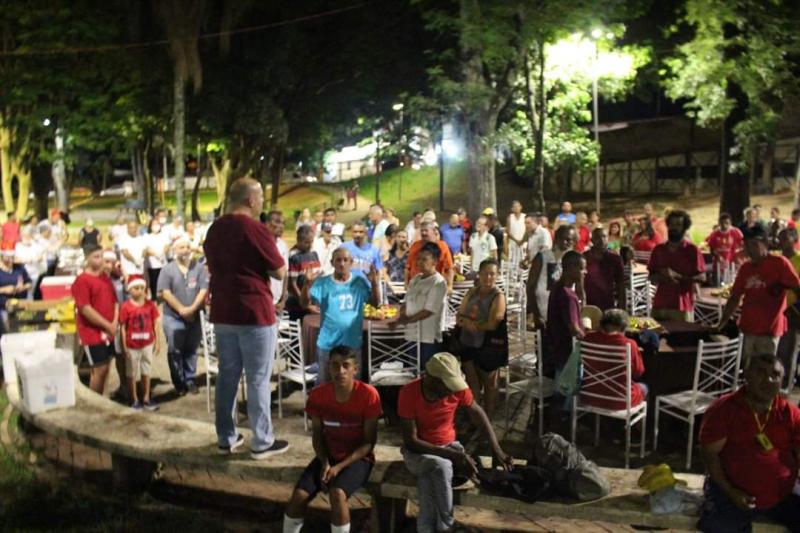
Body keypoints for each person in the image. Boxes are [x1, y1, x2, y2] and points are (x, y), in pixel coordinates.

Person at [204, 178, 289, 460]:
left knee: (227, 375)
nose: (263, 201)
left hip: (223, 311)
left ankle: (226, 437)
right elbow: (279, 271)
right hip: (254, 311)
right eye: (261, 196)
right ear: (251, 200)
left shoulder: (215, 228)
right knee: (258, 378)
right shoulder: (255, 228)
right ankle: (262, 441)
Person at [398, 353, 513, 533]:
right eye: (447, 386)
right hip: (418, 453)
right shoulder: (409, 393)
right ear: (432, 379)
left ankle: (426, 527)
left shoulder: (457, 390)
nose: (451, 391)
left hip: (449, 448)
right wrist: (454, 455)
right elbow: (411, 442)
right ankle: (446, 527)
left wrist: (496, 449)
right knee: (440, 465)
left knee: (430, 477)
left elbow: (478, 413)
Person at [283, 346, 382, 533]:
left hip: (358, 458)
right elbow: (318, 435)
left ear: (355, 369)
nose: (340, 371)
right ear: (329, 368)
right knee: (298, 496)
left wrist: (339, 467)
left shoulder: (368, 395)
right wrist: (325, 462)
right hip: (328, 456)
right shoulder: (318, 395)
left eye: (346, 366)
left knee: (337, 495)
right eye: (335, 366)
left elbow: (369, 443)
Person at [697, 353, 800, 532]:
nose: (768, 379)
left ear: (781, 381)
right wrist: (731, 491)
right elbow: (709, 454)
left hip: (781, 496)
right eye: (760, 372)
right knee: (721, 527)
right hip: (731, 494)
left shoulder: (789, 414)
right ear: (746, 375)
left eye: (775, 375)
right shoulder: (724, 409)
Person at [717, 225, 800, 357]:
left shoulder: (780, 263)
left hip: (769, 330)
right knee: (746, 370)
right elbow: (735, 297)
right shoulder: (745, 268)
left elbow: (797, 289)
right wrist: (722, 322)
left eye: (754, 244)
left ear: (765, 243)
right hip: (746, 328)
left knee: (765, 371)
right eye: (746, 245)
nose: (749, 249)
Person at [303, 247, 380, 383]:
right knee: (325, 386)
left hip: (352, 343)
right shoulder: (323, 283)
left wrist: (374, 283)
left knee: (352, 386)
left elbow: (375, 304)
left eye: (345, 260)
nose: (342, 263)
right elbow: (304, 304)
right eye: (338, 260)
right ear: (332, 263)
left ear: (351, 262)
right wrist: (307, 285)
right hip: (328, 343)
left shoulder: (359, 283)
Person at [157, 236, 209, 396]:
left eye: (187, 247)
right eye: (181, 247)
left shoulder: (199, 268)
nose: (185, 250)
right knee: (175, 350)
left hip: (195, 316)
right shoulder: (167, 270)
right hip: (173, 318)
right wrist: (181, 310)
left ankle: (190, 379)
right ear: (175, 250)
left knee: (192, 349)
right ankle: (179, 382)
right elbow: (164, 292)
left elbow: (203, 290)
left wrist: (192, 309)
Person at [457, 258, 507, 418]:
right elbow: (459, 316)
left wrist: (473, 324)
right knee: (472, 383)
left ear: (497, 275)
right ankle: (475, 417)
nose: (489, 278)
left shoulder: (498, 296)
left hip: (488, 346)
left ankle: (488, 418)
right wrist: (466, 322)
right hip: (467, 342)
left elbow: (493, 323)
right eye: (485, 274)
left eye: (492, 274)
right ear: (479, 274)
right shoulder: (472, 292)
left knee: (490, 384)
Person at [71, 244, 118, 394]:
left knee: (107, 366)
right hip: (92, 332)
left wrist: (115, 322)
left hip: (109, 329)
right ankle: (94, 399)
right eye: (96, 257)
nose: (101, 261)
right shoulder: (82, 281)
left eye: (101, 257)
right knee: (99, 368)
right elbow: (85, 309)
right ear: (87, 259)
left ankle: (102, 397)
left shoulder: (105, 278)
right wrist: (106, 325)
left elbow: (115, 301)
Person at [392, 245, 447, 369]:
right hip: (412, 334)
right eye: (419, 259)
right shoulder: (415, 279)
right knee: (412, 369)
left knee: (427, 371)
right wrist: (403, 312)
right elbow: (406, 301)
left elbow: (429, 310)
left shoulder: (438, 282)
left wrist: (406, 320)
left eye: (424, 259)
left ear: (435, 261)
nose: (420, 262)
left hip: (428, 336)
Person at [647, 210, 706, 322]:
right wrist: (661, 275)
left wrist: (677, 276)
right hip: (659, 305)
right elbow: (651, 277)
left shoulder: (692, 250)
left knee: (681, 339)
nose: (674, 228)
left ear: (684, 227)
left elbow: (702, 278)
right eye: (672, 224)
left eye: (678, 225)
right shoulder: (658, 250)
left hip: (682, 306)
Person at [582, 309, 647, 409]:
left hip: (589, 395)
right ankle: (633, 424)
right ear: (623, 326)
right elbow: (638, 372)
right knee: (644, 387)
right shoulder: (629, 344)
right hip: (619, 400)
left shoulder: (588, 338)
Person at [119, 274, 161, 411]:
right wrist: (124, 345)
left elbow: (156, 323)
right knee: (131, 372)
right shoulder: (126, 307)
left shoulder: (150, 305)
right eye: (136, 288)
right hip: (132, 345)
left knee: (146, 370)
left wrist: (157, 341)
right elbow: (123, 327)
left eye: (142, 287)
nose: (139, 290)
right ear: (130, 290)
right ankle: (134, 398)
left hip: (147, 343)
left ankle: (146, 397)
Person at [526, 225, 578, 329]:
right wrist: (536, 314)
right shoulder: (542, 257)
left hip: (566, 313)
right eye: (561, 239)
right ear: (556, 239)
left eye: (568, 240)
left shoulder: (576, 260)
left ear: (574, 241)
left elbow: (580, 288)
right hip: (544, 312)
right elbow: (530, 286)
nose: (564, 242)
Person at [544, 251, 586, 378]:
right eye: (582, 268)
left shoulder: (557, 287)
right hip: (567, 352)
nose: (585, 272)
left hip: (556, 348)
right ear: (572, 268)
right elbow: (574, 329)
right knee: (565, 392)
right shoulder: (568, 296)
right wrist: (589, 340)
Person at [777, 227, 800, 391]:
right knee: (777, 351)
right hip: (775, 312)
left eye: (784, 238)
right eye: (779, 239)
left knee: (788, 350)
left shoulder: (799, 260)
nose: (781, 242)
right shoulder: (777, 260)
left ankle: (786, 386)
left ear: (794, 240)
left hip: (792, 313)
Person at [584, 227, 626, 311]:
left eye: (604, 236)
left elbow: (620, 283)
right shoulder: (585, 257)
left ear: (608, 238)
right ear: (592, 240)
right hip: (588, 302)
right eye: (598, 237)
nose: (601, 240)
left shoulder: (615, 258)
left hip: (608, 302)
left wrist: (622, 305)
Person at [406, 221, 454, 291]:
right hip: (416, 284)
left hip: (435, 284)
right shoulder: (415, 245)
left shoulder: (442, 246)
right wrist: (406, 284)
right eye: (422, 231)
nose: (423, 233)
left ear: (433, 231)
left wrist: (450, 286)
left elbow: (449, 268)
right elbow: (407, 267)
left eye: (426, 230)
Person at [286, 225, 321, 321]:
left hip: (315, 304)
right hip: (299, 307)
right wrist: (307, 306)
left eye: (311, 242)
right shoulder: (293, 256)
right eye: (306, 242)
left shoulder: (314, 253)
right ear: (298, 240)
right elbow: (292, 285)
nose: (310, 245)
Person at [264, 210, 290, 317]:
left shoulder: (283, 245)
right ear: (268, 224)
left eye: (283, 223)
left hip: (278, 302)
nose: (282, 226)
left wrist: (283, 300)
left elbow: (285, 274)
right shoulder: (262, 244)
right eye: (278, 222)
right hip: (264, 301)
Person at [706, 213, 744, 285]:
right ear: (719, 223)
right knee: (719, 283)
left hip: (733, 262)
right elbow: (712, 248)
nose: (724, 225)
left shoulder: (736, 232)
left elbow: (742, 244)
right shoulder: (715, 234)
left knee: (732, 282)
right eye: (722, 223)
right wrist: (718, 256)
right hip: (719, 263)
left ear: (730, 223)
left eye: (726, 223)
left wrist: (738, 255)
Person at [14, 228, 45, 300]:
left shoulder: (35, 245)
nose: (27, 238)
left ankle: (29, 307)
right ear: (21, 236)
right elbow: (15, 260)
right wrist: (26, 260)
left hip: (34, 273)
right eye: (24, 236)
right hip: (21, 273)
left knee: (31, 291)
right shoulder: (17, 246)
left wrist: (36, 259)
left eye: (28, 236)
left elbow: (41, 257)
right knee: (21, 291)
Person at [143, 218, 170, 300]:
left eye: (157, 224)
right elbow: (146, 249)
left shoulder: (164, 235)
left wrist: (162, 254)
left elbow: (167, 246)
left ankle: (164, 297)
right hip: (152, 264)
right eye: (154, 224)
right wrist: (156, 254)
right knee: (153, 282)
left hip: (163, 263)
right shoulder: (146, 236)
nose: (156, 226)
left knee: (164, 281)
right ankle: (154, 298)